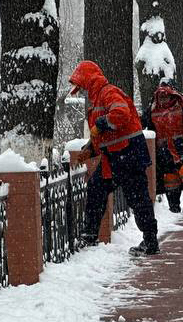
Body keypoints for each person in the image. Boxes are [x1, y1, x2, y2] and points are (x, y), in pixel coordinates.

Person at [68, 60, 160, 256]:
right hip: (116, 156)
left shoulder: (108, 93)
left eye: (83, 87)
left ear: (89, 81)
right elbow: (104, 135)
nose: (83, 92)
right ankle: (90, 235)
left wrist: (100, 124)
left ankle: (150, 240)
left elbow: (120, 114)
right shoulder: (97, 100)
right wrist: (90, 150)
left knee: (137, 196)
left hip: (129, 153)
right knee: (98, 187)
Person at [142, 78, 183, 213]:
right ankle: (174, 206)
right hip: (164, 150)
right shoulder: (153, 107)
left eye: (166, 95)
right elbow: (143, 125)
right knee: (170, 178)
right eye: (161, 96)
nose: (164, 99)